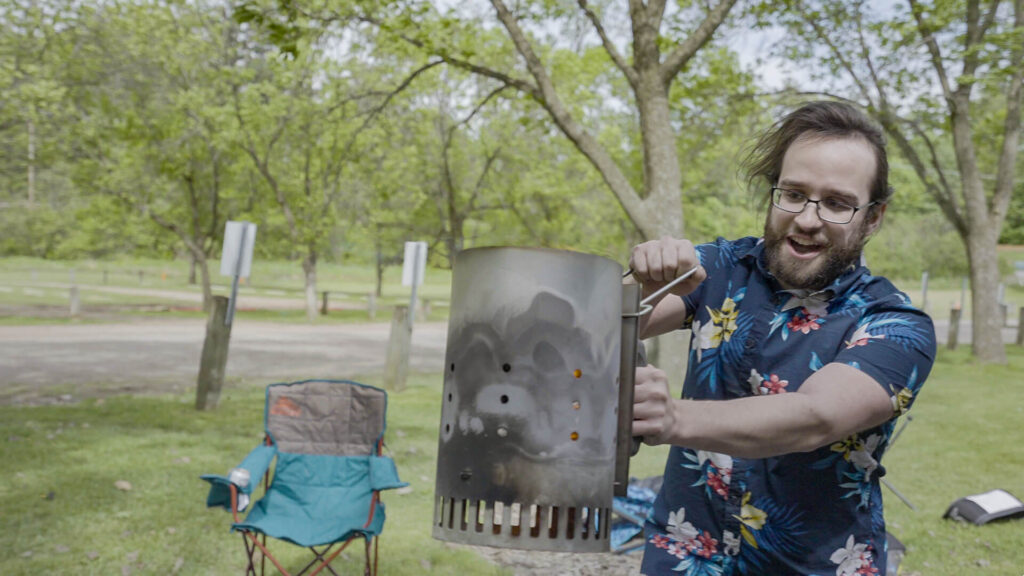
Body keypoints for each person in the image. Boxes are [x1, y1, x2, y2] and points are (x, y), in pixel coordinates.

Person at [628, 101, 936, 575]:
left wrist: (671, 417)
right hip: (685, 555)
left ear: (873, 218)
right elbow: (591, 332)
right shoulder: (719, 269)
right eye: (793, 193)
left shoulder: (896, 325)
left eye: (836, 203)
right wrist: (639, 288)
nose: (807, 219)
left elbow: (812, 418)